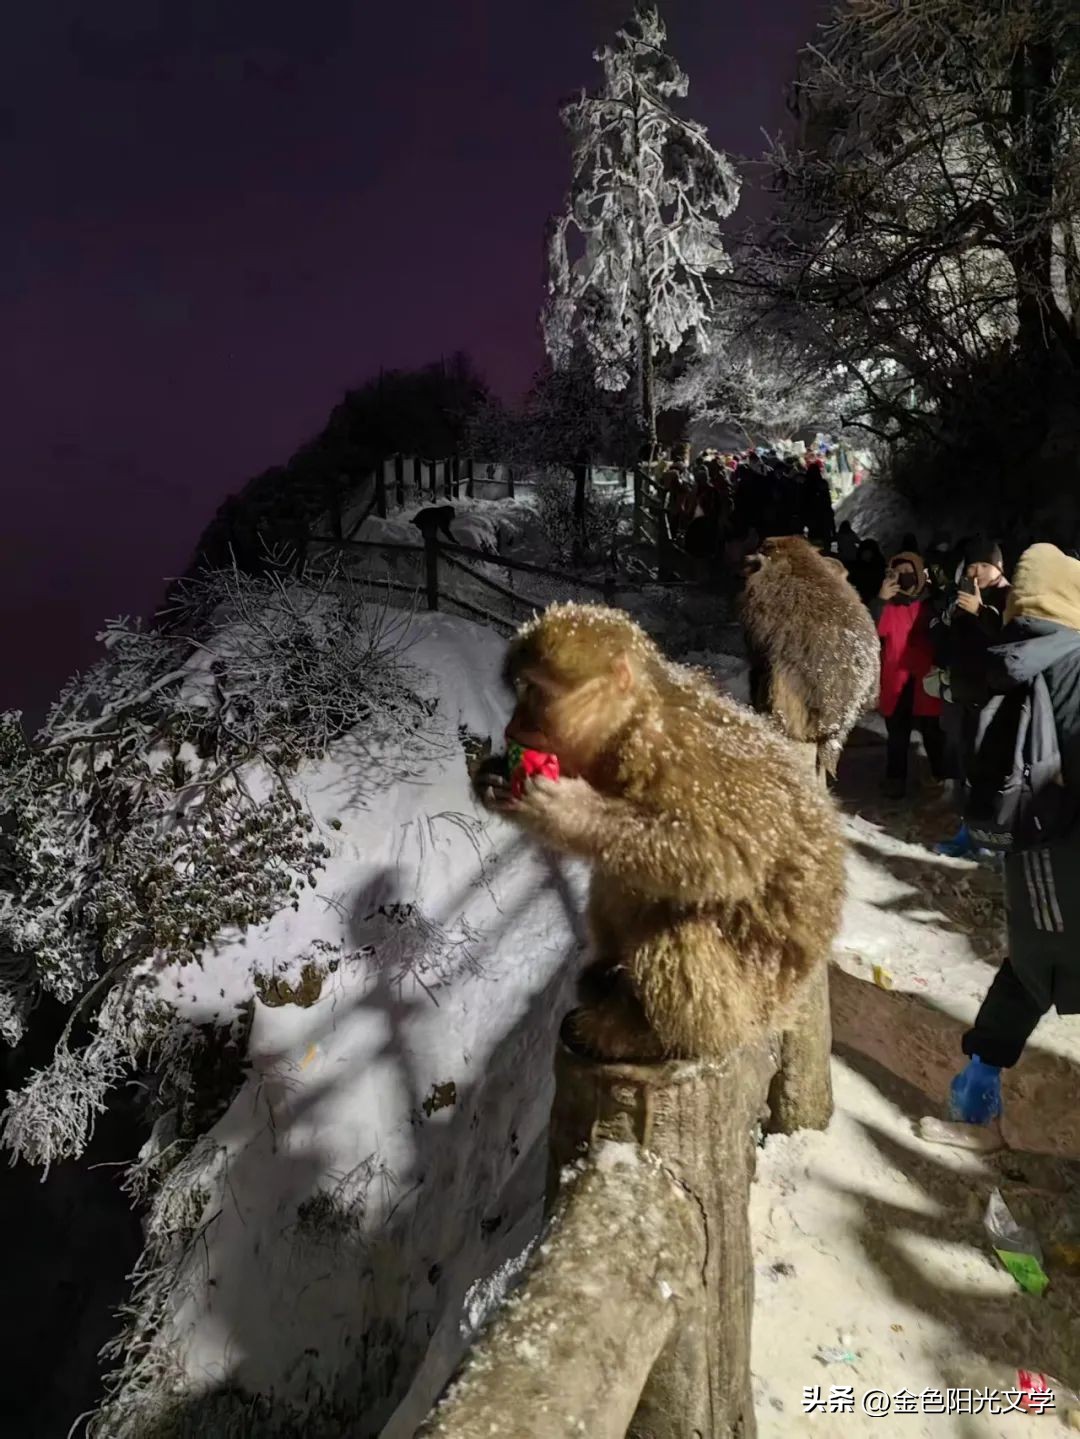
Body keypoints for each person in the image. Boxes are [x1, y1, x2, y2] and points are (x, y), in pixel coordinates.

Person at [948, 544, 1080, 1123]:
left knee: (1032, 961)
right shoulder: (1074, 659)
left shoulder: (1004, 656)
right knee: (1039, 964)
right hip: (1067, 832)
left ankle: (978, 1080)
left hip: (1024, 837)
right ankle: (978, 1083)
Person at [931, 539, 1011, 858]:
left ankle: (992, 838)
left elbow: (1012, 641)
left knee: (991, 769)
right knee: (967, 765)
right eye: (972, 566)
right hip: (964, 694)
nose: (976, 572)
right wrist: (948, 620)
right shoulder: (962, 599)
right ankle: (971, 833)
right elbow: (946, 647)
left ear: (999, 567)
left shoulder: (1011, 598)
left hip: (995, 698)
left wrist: (981, 612)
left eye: (984, 565)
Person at [876, 550, 947, 799]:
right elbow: (872, 631)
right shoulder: (889, 606)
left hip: (926, 679)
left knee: (933, 733)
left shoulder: (932, 604)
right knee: (897, 735)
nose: (904, 576)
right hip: (897, 680)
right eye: (898, 572)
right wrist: (880, 601)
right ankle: (895, 781)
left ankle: (940, 779)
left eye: (909, 571)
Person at [850, 538, 887, 607]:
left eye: (868, 551)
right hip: (860, 602)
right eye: (863, 552)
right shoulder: (855, 567)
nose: (865, 554)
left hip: (875, 601)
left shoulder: (880, 566)